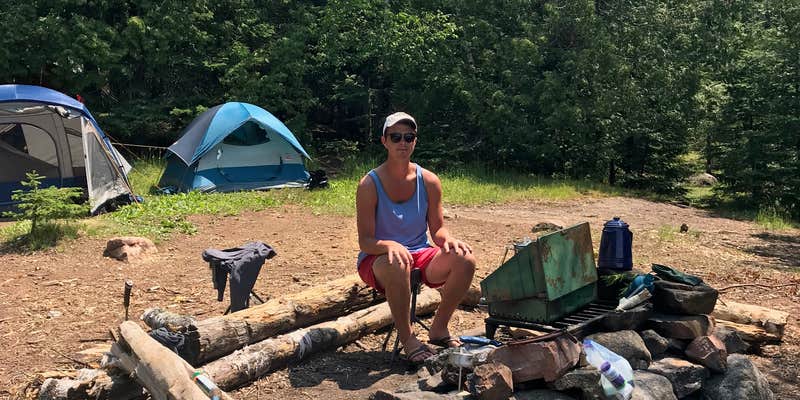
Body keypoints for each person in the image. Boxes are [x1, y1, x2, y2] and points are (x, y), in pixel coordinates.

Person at [356, 112, 476, 364]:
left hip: (419, 252)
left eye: (408, 137)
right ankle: (408, 338)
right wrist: (389, 244)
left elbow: (438, 231)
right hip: (377, 258)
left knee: (465, 259)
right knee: (398, 261)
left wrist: (449, 241)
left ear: (415, 141)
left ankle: (439, 327)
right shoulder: (369, 184)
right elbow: (365, 241)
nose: (403, 142)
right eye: (396, 136)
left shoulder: (429, 180)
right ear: (384, 141)